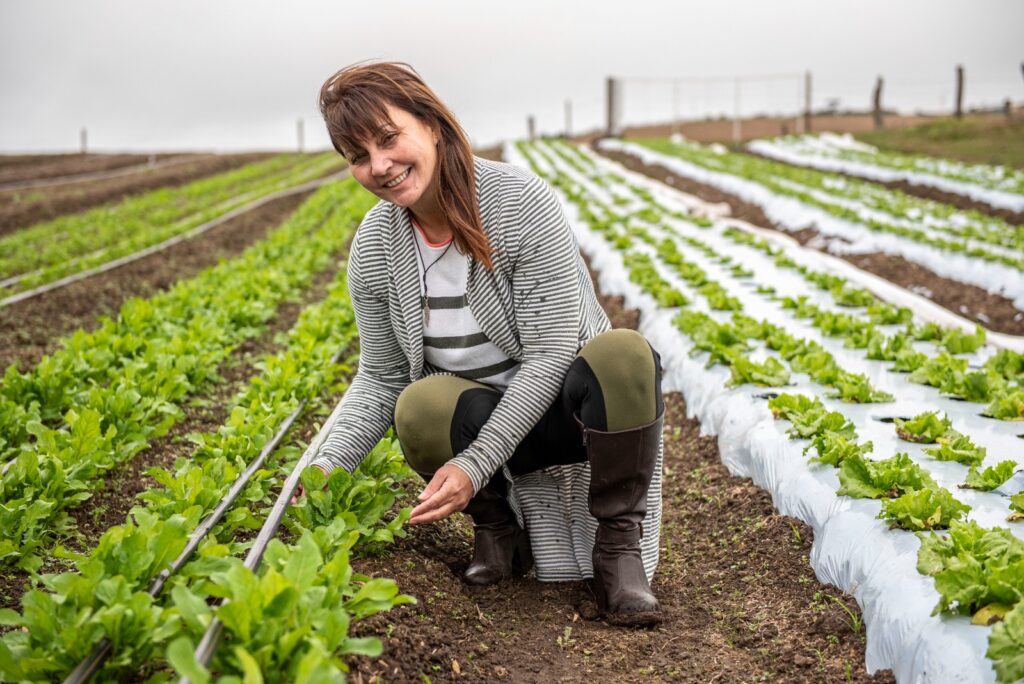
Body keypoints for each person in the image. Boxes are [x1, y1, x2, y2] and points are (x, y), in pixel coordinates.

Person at [309, 61, 665, 626]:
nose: (379, 166)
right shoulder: (376, 247)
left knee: (624, 354)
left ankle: (618, 547)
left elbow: (550, 355)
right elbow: (380, 378)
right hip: (489, 423)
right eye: (357, 156)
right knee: (419, 405)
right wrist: (325, 467)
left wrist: (473, 464)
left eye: (388, 138)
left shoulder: (519, 203)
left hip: (573, 418)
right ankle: (500, 530)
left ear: (431, 123)